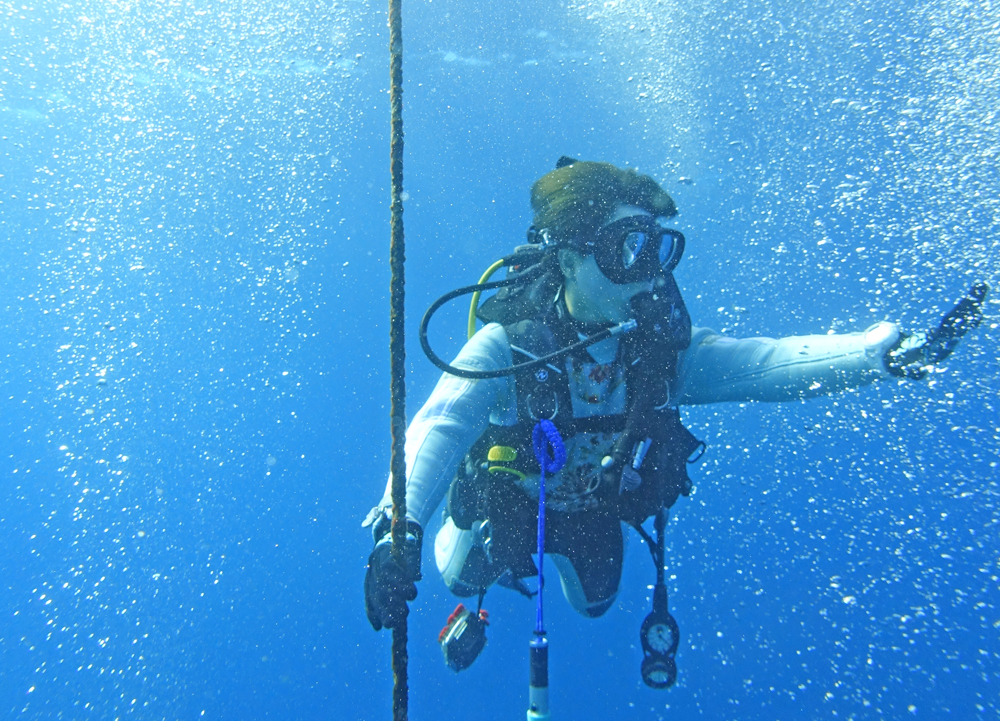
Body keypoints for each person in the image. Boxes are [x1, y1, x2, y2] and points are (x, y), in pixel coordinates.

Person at [363, 159, 987, 673]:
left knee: (596, 604)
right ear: (570, 257)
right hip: (511, 502)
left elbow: (763, 366)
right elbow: (439, 425)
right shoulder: (510, 349)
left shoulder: (659, 357)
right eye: (626, 248)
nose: (648, 271)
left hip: (593, 508)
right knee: (456, 574)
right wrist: (402, 528)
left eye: (657, 248)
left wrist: (881, 355)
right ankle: (457, 528)